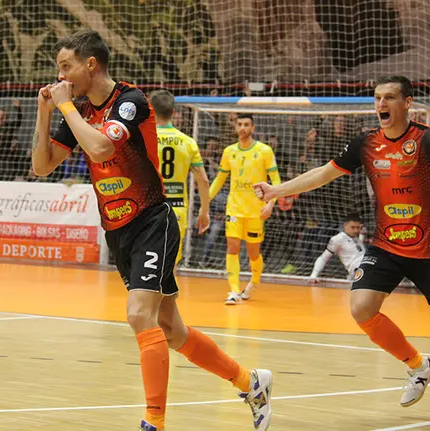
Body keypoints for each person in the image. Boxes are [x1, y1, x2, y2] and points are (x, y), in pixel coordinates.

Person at [31, 30, 273, 431]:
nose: (61, 76)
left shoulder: (129, 100)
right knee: (172, 330)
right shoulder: (77, 111)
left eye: (66, 66)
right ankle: (250, 382)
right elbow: (42, 166)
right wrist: (45, 112)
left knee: (138, 314)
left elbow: (101, 148)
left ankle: (154, 421)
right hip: (117, 229)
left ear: (90, 64)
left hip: (151, 221)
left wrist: (65, 107)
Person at [254, 75, 430, 421]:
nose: (382, 104)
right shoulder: (366, 142)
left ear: (407, 103)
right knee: (361, 307)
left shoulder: (427, 138)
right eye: (378, 97)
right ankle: (419, 366)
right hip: (386, 245)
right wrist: (277, 190)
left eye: (390, 97)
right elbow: (323, 173)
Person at [209, 113, 281, 304]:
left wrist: (271, 203)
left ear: (253, 128)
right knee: (232, 247)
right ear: (235, 127)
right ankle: (234, 291)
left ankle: (254, 281)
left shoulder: (264, 151)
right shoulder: (229, 151)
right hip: (234, 208)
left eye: (246, 124)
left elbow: (275, 180)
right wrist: (206, 200)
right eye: (239, 124)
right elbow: (220, 179)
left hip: (256, 210)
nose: (242, 128)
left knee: (253, 253)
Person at [148, 90, 211, 266]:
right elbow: (203, 181)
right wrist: (204, 211)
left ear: (151, 111)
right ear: (173, 112)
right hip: (176, 209)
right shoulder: (188, 142)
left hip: (148, 208)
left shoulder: (144, 140)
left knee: (147, 265)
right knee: (170, 265)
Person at [308, 213, 365, 282]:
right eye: (353, 227)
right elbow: (324, 258)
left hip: (365, 267)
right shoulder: (338, 239)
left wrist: (362, 234)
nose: (356, 230)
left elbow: (357, 251)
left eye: (357, 227)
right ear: (345, 225)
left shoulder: (356, 237)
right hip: (359, 271)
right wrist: (313, 275)